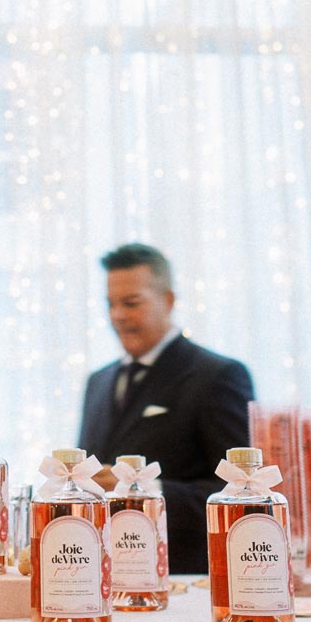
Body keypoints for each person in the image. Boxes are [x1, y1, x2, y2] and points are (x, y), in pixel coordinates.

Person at [78, 243, 254, 575]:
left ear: (168, 301)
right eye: (111, 304)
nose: (117, 315)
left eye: (131, 303)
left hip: (183, 579)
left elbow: (243, 493)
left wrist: (142, 490)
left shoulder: (217, 376)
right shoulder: (98, 382)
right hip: (101, 581)